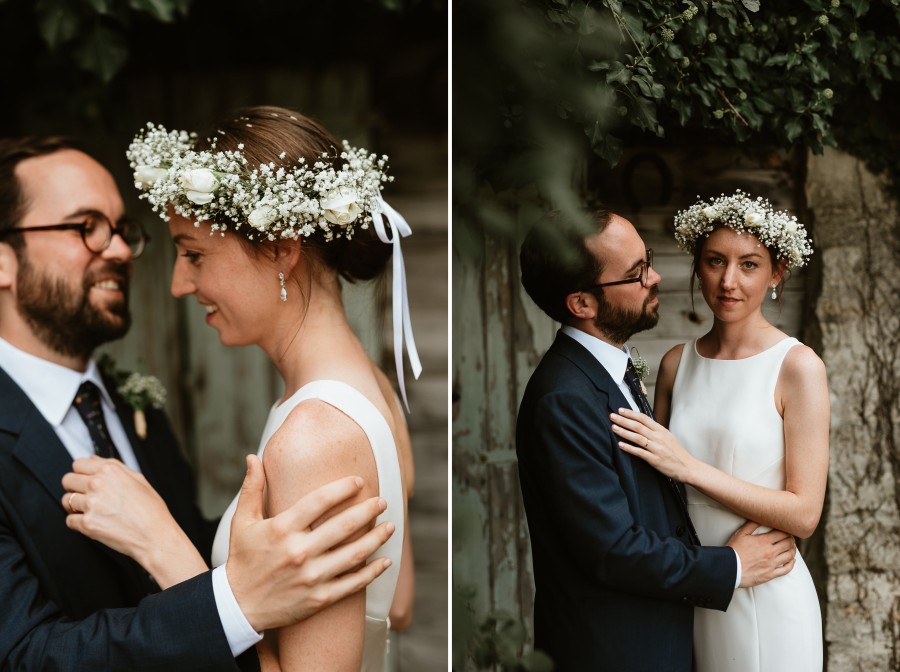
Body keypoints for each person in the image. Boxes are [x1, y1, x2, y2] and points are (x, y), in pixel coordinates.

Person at [0, 135, 396, 671]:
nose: (118, 249)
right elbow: (22, 656)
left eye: (120, 229)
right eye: (85, 228)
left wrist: (183, 548)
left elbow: (188, 545)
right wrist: (232, 602)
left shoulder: (132, 406)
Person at [515, 206, 800, 671]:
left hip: (684, 629)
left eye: (646, 259)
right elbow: (613, 550)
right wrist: (731, 565)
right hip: (617, 650)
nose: (656, 276)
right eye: (636, 273)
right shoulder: (563, 397)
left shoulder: (610, 371)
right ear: (582, 304)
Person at [610, 190, 826, 671]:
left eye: (749, 264)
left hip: (768, 595)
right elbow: (657, 495)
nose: (729, 281)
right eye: (715, 261)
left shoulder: (798, 367)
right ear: (697, 266)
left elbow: (805, 513)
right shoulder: (674, 365)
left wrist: (691, 468)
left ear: (777, 273)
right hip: (696, 594)